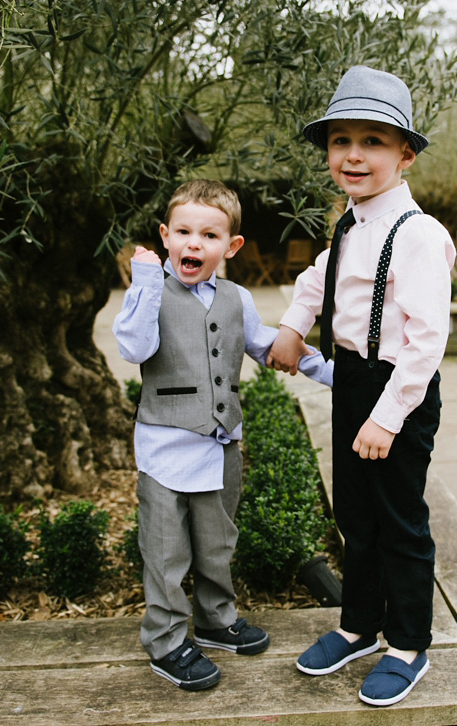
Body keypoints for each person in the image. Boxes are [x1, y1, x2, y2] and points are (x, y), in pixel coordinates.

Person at [267, 66, 455, 707]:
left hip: (397, 389)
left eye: (372, 141)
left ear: (405, 155)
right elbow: (319, 281)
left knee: (399, 520)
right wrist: (294, 328)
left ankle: (407, 643)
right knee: (355, 515)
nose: (353, 154)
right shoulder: (347, 225)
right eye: (340, 140)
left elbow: (427, 342)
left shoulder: (420, 235)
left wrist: (387, 417)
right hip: (351, 382)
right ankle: (358, 626)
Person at [113, 179, 332, 691]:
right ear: (165, 236)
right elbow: (135, 348)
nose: (194, 243)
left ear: (230, 246)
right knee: (166, 551)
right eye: (184, 232)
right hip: (164, 445)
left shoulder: (236, 297)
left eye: (209, 235)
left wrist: (337, 375)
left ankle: (215, 619)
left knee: (217, 542)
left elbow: (269, 348)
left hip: (220, 443)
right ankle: (166, 641)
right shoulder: (148, 293)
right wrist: (143, 282)